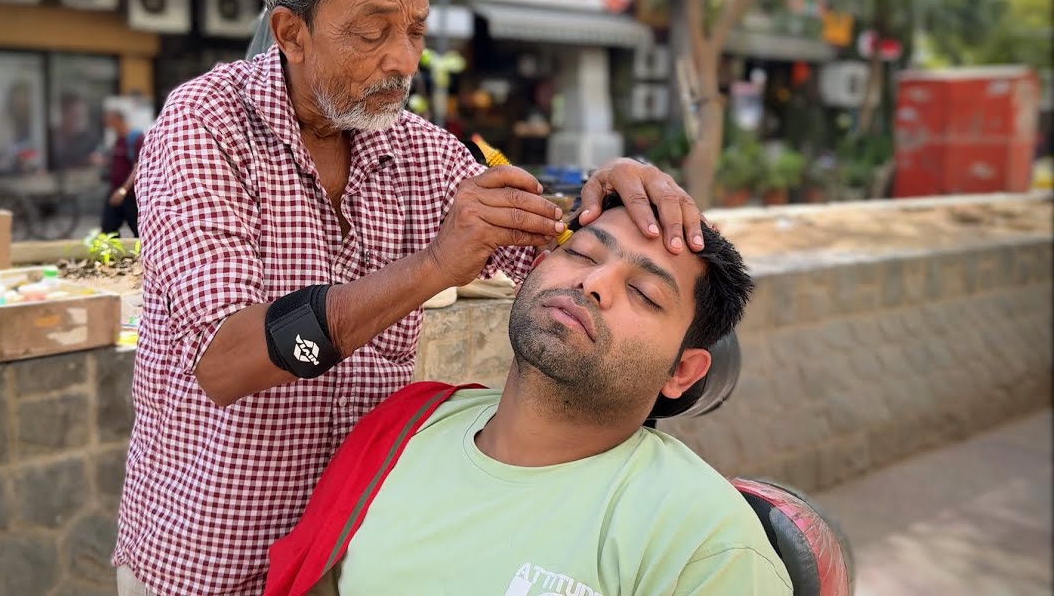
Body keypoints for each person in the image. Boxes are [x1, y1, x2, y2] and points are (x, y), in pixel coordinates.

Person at [113, 0, 705, 596]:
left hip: (358, 553)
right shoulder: (204, 127)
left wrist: (603, 210)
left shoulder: (420, 150)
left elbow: (550, 252)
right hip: (211, 558)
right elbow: (228, 360)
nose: (403, 60)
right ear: (290, 31)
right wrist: (432, 267)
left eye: (417, 30)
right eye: (372, 32)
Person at [267, 196, 789, 596]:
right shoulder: (406, 430)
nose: (595, 282)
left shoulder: (703, 543)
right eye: (582, 253)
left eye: (643, 292)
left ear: (681, 371)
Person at [101, 100, 144, 238]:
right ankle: (111, 257)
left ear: (117, 119)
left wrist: (123, 190)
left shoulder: (136, 138)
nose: (107, 124)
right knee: (108, 230)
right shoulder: (118, 139)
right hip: (114, 192)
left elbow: (138, 166)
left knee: (139, 232)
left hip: (130, 195)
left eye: (109, 120)